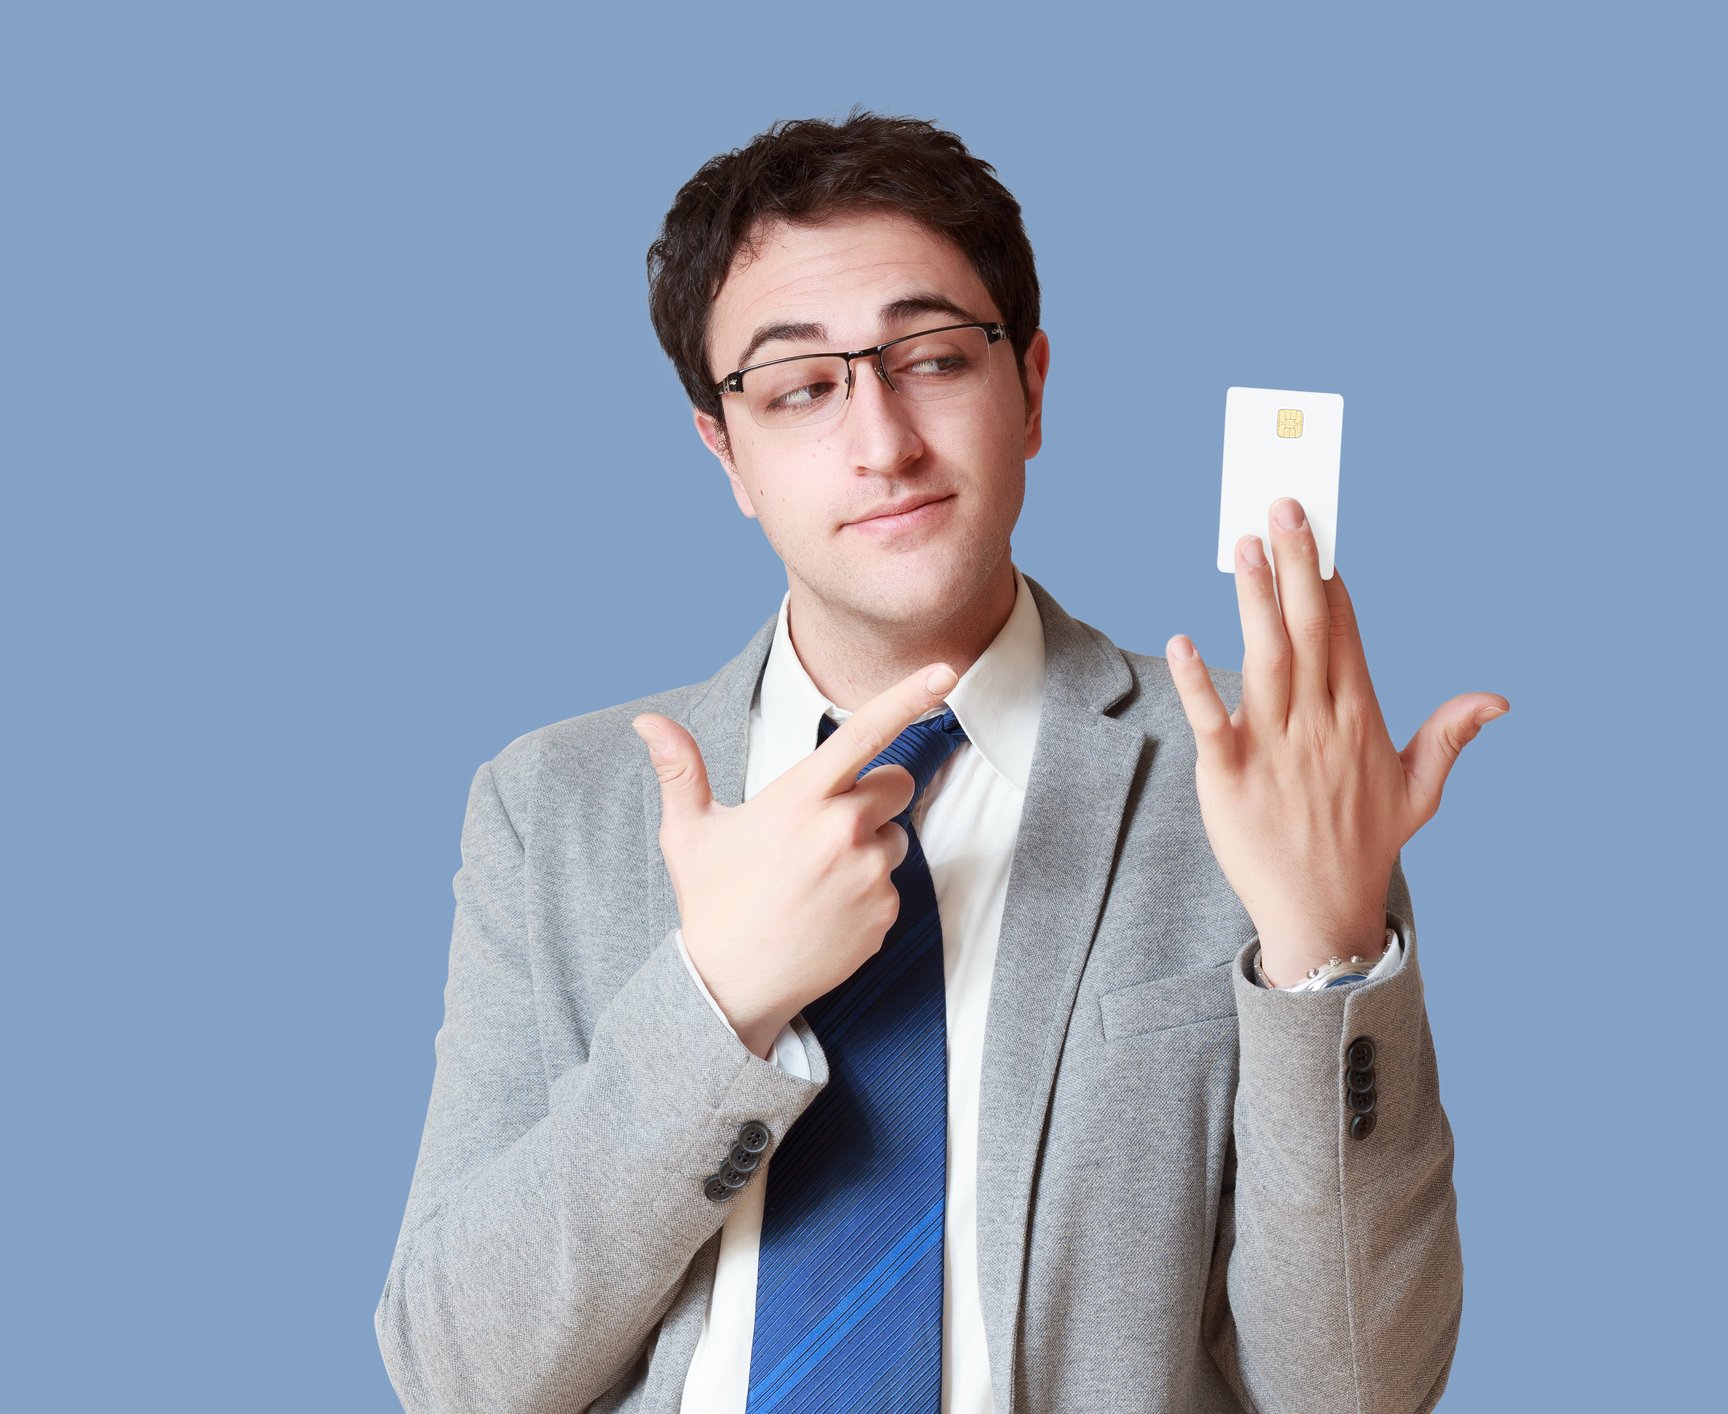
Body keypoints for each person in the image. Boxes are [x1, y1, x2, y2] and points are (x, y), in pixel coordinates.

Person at [374, 110, 1503, 1414]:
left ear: (1031, 388)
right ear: (725, 451)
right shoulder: (552, 807)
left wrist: (1327, 952)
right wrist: (716, 998)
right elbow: (457, 1375)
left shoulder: (1262, 772)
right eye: (800, 388)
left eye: (932, 359)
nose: (883, 443)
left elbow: (1355, 1392)